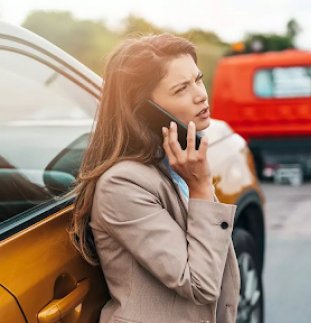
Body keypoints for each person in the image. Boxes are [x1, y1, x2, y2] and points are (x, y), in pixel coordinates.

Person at [69, 34, 240, 322]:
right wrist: (200, 187)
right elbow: (200, 284)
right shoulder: (122, 185)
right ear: (145, 109)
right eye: (181, 89)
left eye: (197, 80)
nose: (200, 94)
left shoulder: (178, 165)